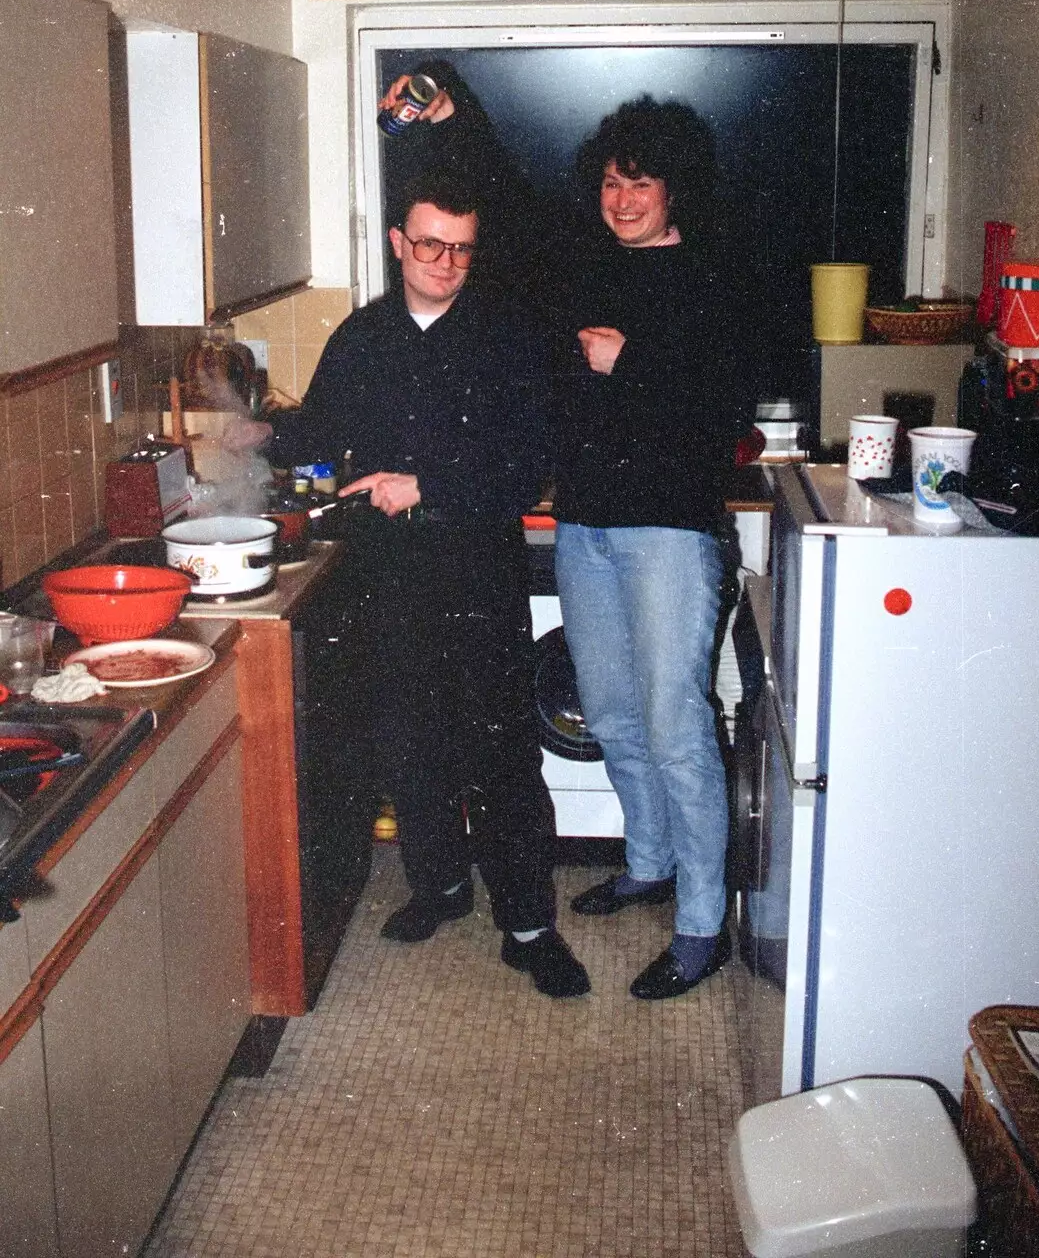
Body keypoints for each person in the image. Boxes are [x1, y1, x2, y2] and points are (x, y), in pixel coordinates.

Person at [230, 171, 590, 999]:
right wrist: (262, 433)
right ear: (397, 243)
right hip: (385, 572)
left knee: (500, 752)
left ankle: (531, 926)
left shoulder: (507, 338)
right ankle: (441, 886)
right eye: (429, 244)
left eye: (461, 248)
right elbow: (322, 428)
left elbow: (529, 466)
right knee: (410, 736)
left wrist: (426, 484)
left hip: (475, 569)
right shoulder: (361, 338)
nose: (446, 262)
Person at [550, 96, 760, 1000]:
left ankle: (703, 922)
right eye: (609, 181)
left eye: (640, 182)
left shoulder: (717, 282)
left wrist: (625, 362)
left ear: (675, 190)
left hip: (669, 529)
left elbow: (723, 419)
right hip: (585, 523)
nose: (623, 198)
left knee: (678, 724)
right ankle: (649, 859)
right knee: (609, 709)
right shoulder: (587, 270)